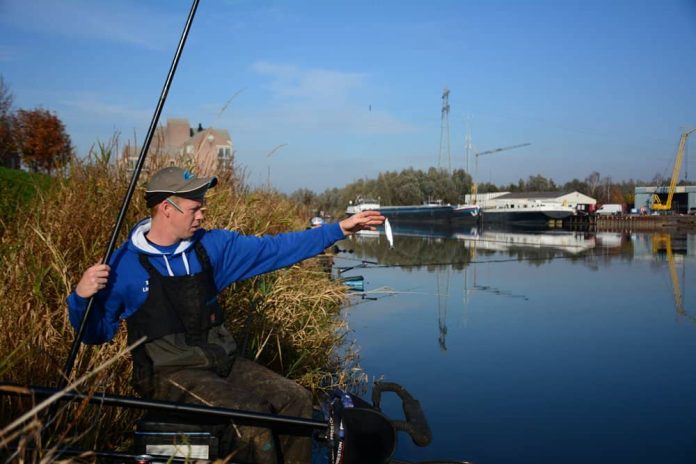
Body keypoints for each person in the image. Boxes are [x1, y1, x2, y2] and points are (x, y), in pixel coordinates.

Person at [67, 166, 384, 464]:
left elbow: (275, 249)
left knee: (295, 398)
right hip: (166, 374)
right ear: (166, 209)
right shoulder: (124, 266)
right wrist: (81, 297)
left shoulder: (212, 246)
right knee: (250, 414)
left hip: (222, 362)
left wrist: (340, 229)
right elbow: (95, 334)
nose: (202, 214)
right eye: (195, 208)